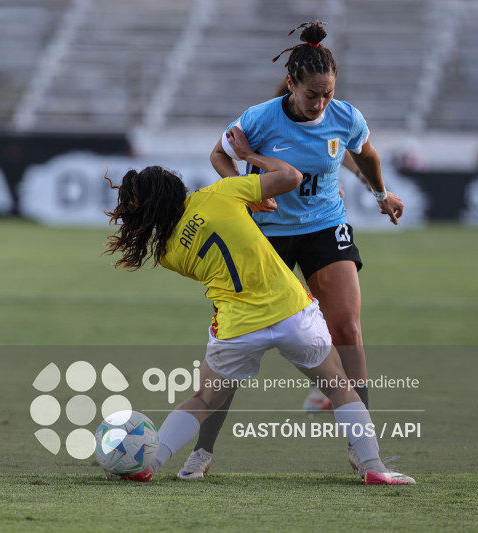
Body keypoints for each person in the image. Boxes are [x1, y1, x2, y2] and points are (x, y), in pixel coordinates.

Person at [103, 125, 415, 485]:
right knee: (338, 385)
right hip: (291, 312)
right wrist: (248, 157)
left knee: (203, 399)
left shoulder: (169, 253)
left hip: (236, 327)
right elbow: (291, 176)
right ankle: (373, 465)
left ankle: (150, 464)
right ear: (176, 187)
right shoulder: (221, 192)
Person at [178, 21, 405, 480]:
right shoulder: (260, 118)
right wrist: (240, 188)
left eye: (327, 94)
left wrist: (383, 195)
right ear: (291, 83)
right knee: (240, 343)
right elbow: (219, 155)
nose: (320, 104)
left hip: (324, 225)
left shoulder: (346, 116)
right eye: (311, 95)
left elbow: (367, 155)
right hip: (266, 235)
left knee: (347, 327)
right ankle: (203, 451)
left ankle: (362, 450)